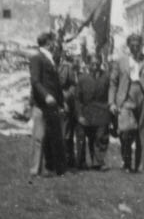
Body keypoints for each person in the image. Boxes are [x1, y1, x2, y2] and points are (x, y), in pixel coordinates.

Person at [109, 33, 144, 172]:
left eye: (138, 45)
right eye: (132, 45)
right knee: (125, 131)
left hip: (143, 95)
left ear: (141, 46)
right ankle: (127, 162)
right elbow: (113, 82)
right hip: (126, 96)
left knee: (143, 131)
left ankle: (141, 165)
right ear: (129, 46)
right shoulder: (121, 61)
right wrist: (111, 102)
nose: (135, 48)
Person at [28, 30, 66, 178]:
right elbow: (35, 81)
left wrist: (61, 103)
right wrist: (46, 96)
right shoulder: (37, 57)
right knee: (39, 137)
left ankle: (56, 168)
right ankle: (34, 170)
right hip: (42, 104)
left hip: (52, 105)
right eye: (53, 42)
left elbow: (56, 84)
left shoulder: (50, 58)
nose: (55, 44)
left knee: (54, 136)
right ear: (49, 42)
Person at [74, 58, 110, 169]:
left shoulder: (106, 77)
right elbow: (77, 99)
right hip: (86, 112)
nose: (95, 65)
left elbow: (109, 94)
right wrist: (79, 115)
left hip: (101, 111)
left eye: (97, 63)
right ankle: (81, 162)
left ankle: (98, 162)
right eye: (92, 63)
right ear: (88, 64)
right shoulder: (82, 78)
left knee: (100, 137)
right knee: (81, 137)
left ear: (100, 64)